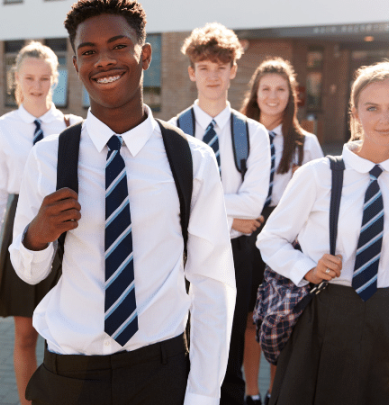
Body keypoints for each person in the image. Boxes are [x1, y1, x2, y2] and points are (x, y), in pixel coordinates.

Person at [9, 1, 236, 404]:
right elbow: (28, 274)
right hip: (71, 375)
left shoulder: (191, 159)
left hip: (159, 372)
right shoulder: (48, 157)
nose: (104, 61)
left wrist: (202, 393)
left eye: (118, 46)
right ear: (76, 64)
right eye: (89, 52)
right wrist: (36, 236)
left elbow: (212, 285)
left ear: (144, 54)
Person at [256, 61, 389, 404]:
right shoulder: (318, 175)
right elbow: (270, 239)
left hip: (379, 316)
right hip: (317, 313)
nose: (384, 119)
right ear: (356, 113)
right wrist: (307, 268)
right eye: (372, 108)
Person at [167, 22, 270, 405]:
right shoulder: (173, 132)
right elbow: (172, 204)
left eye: (220, 66)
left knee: (228, 352)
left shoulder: (253, 134)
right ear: (192, 72)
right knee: (183, 342)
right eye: (204, 67)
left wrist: (206, 206)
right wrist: (229, 216)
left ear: (233, 70)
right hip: (184, 252)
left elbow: (254, 203)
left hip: (236, 255)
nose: (213, 75)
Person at [0, 41, 81, 405]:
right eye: (29, 78)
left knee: (67, 332)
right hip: (21, 230)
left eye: (44, 78)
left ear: (56, 79)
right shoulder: (2, 128)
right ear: (17, 80)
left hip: (69, 229)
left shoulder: (74, 126)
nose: (37, 86)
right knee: (25, 335)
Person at [238, 57, 323, 405]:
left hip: (288, 239)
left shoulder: (307, 143)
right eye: (266, 89)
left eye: (281, 90)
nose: (273, 97)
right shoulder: (238, 134)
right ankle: (251, 392)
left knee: (280, 318)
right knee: (248, 320)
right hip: (246, 232)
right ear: (255, 93)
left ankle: (276, 392)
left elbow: (319, 199)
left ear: (292, 96)